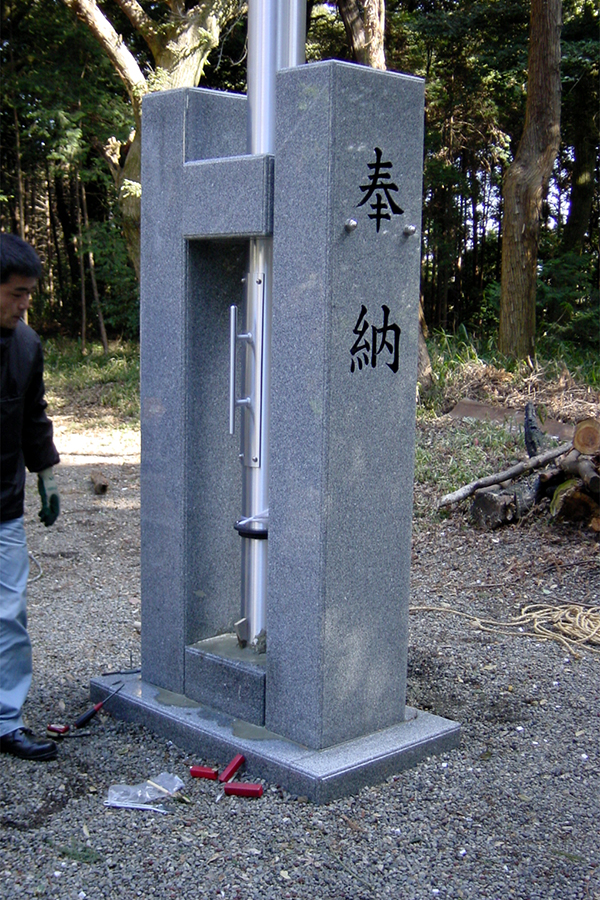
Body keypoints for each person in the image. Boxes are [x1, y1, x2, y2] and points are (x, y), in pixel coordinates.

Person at [1, 233, 61, 761]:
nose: (24, 305)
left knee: (8, 614)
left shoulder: (26, 344)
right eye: (16, 294)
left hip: (3, 509)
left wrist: (46, 473)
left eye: (28, 295)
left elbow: (33, 415)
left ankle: (6, 719)